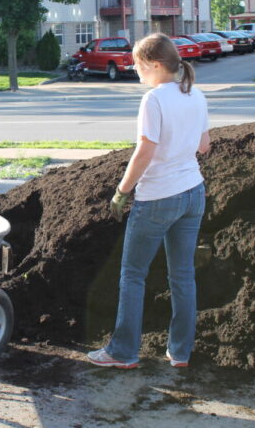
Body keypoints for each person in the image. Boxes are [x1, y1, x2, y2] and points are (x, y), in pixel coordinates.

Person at [87, 33, 211, 370]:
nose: (135, 69)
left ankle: (123, 352)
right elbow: (204, 147)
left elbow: (145, 151)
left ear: (156, 65)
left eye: (139, 64)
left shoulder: (154, 100)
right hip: (193, 193)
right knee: (183, 276)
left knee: (132, 275)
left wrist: (122, 191)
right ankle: (181, 352)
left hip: (158, 197)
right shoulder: (195, 95)